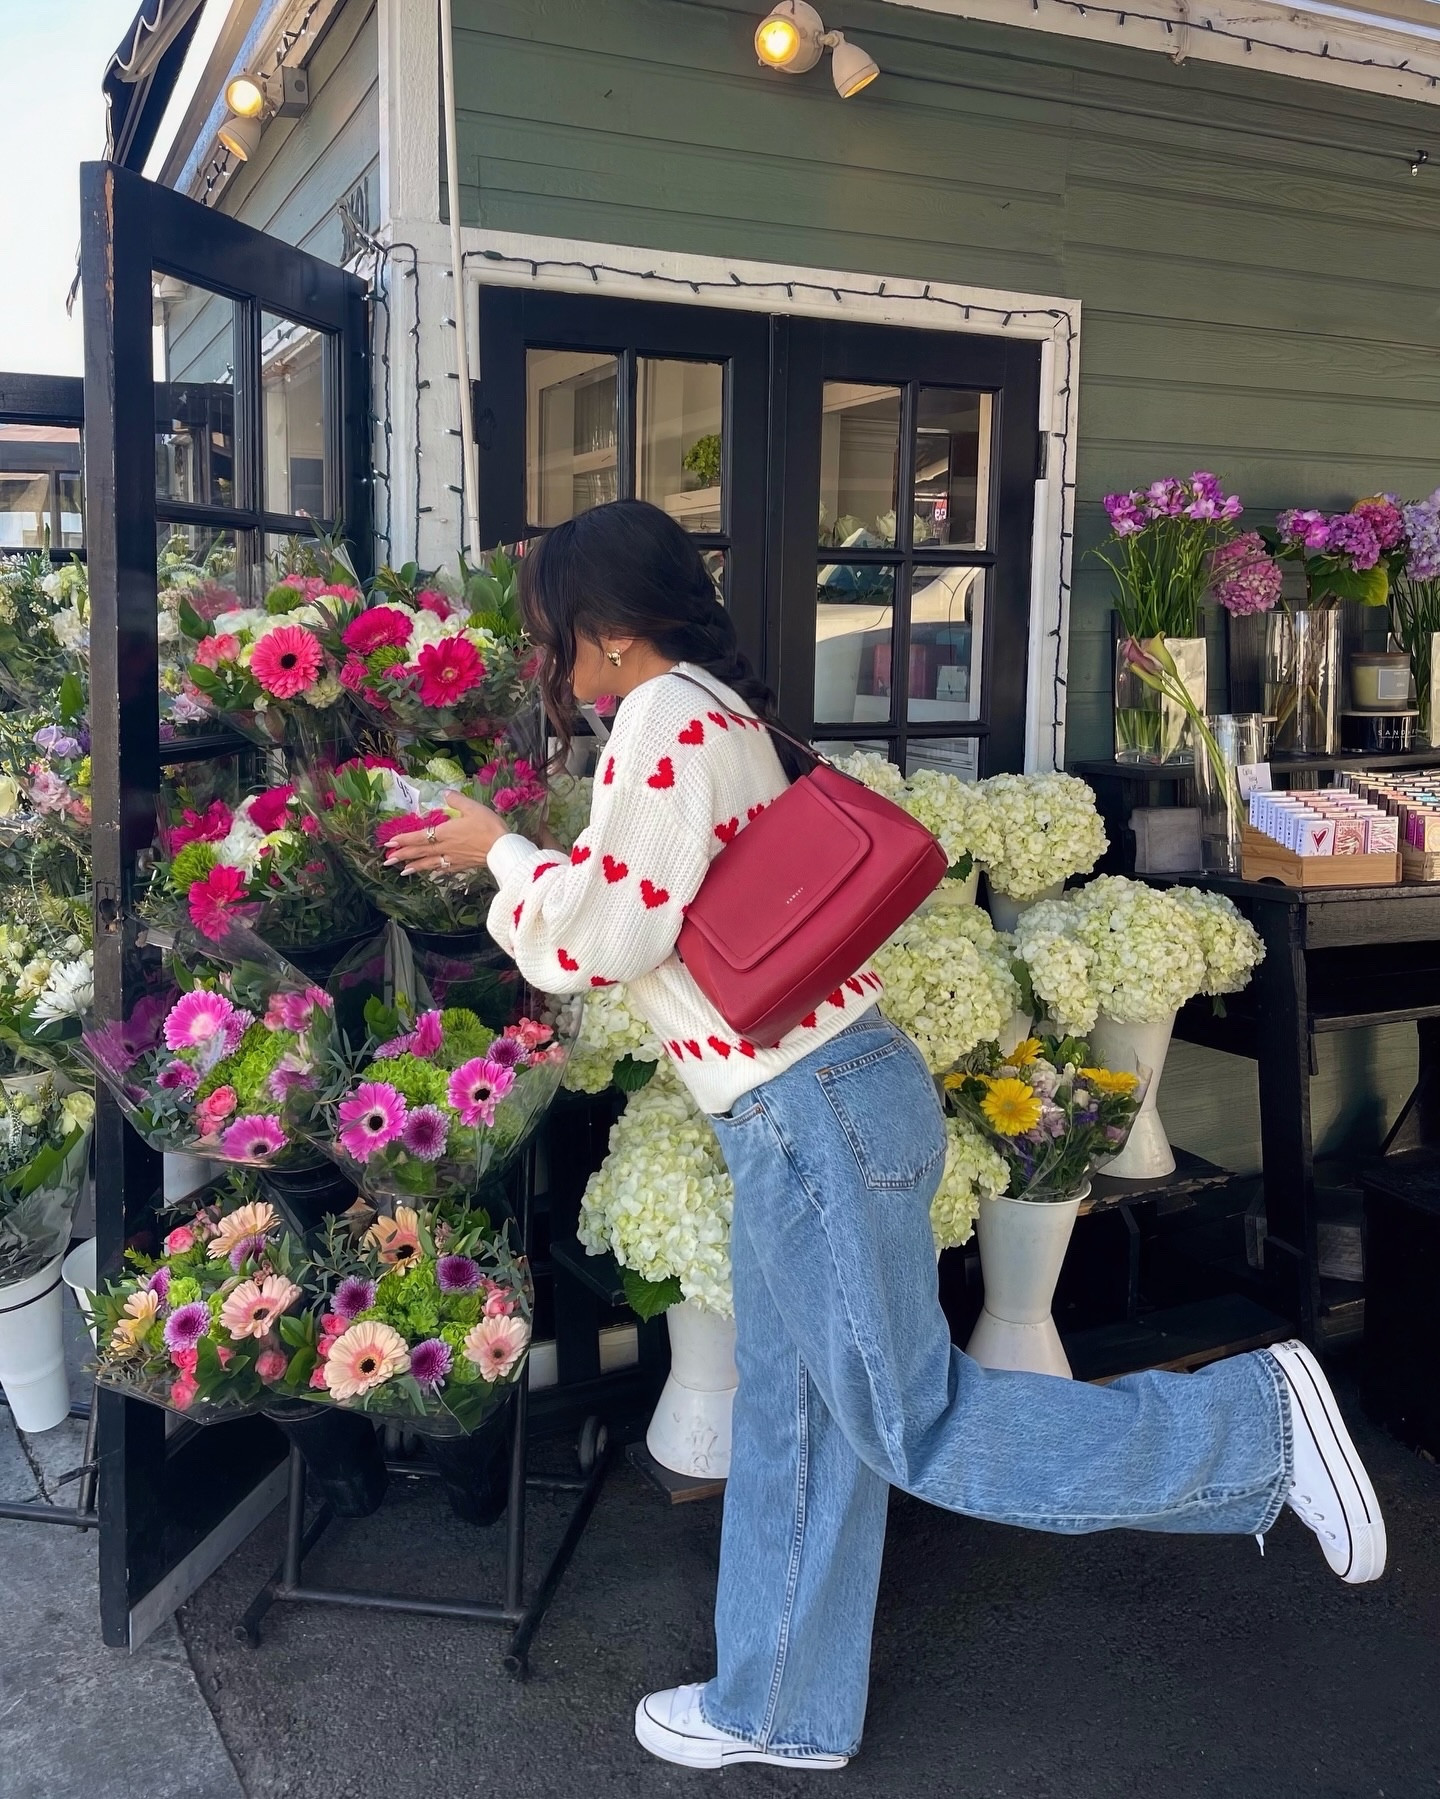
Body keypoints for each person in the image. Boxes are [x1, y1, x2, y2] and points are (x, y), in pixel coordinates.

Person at [384, 499, 1385, 1774]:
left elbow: (610, 934)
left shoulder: (658, 713)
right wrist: (531, 854)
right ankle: (780, 1703)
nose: (551, 664)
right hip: (830, 1101)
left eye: (552, 637)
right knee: (795, 1418)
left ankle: (1261, 1430)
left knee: (914, 1424)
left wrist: (501, 851)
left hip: (808, 1116)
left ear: (606, 628)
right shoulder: (720, 711)